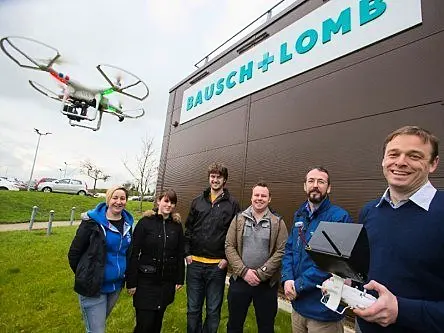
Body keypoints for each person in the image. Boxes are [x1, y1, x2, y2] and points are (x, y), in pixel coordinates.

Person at [354, 126, 444, 333]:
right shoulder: (370, 211)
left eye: (414, 156)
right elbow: (367, 270)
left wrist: (401, 310)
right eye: (393, 154)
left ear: (433, 164)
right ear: (383, 161)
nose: (401, 162)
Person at [281, 167, 353, 333]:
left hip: (323, 312)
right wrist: (287, 279)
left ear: (329, 188)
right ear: (304, 186)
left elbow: (330, 263)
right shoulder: (300, 215)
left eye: (321, 182)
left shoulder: (339, 218)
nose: (315, 185)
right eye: (311, 181)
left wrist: (298, 286)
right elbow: (290, 250)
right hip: (298, 306)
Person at [68, 185, 134, 333]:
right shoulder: (91, 223)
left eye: (122, 198)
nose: (118, 202)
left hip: (115, 287)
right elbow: (74, 253)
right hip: (93, 287)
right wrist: (85, 274)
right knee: (97, 330)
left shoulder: (128, 225)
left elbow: (128, 253)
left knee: (96, 326)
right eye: (114, 197)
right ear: (108, 200)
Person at [225, 182, 288, 333]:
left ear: (269, 199)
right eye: (257, 195)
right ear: (252, 197)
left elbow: (282, 250)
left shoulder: (278, 222)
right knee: (234, 325)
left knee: (266, 327)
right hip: (240, 281)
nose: (259, 198)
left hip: (266, 284)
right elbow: (229, 245)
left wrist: (260, 273)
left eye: (263, 196)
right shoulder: (238, 218)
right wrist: (244, 272)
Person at [185, 162, 240, 333]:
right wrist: (187, 254)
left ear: (225, 180)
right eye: (213, 176)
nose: (215, 180)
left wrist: (226, 259)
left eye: (219, 177)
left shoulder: (232, 204)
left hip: (217, 266)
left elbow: (236, 234)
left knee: (213, 310)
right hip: (195, 264)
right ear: (209, 178)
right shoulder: (197, 202)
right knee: (193, 309)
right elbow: (188, 229)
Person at [126, 189, 185, 333]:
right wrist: (131, 282)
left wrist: (179, 278)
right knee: (144, 325)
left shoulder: (176, 226)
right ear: (158, 201)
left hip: (166, 282)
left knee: (156, 325)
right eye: (166, 201)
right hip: (146, 281)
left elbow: (179, 253)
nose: (169, 205)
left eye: (172, 202)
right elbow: (133, 253)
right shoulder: (145, 223)